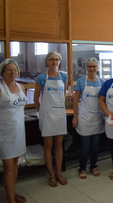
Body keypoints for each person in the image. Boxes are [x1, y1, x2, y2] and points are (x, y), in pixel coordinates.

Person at [0, 59, 27, 203]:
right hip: (4, 132)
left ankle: (12, 192)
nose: (13, 72)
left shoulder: (21, 87)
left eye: (15, 69)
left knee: (15, 163)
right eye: (9, 70)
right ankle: (10, 200)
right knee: (8, 166)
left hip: (19, 130)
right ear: (2, 72)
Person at [34, 51, 68, 187]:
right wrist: (41, 111)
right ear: (47, 62)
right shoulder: (41, 78)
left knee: (59, 145)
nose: (55, 62)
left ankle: (58, 173)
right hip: (47, 115)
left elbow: (64, 96)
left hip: (59, 114)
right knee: (48, 146)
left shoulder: (64, 77)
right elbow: (36, 98)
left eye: (57, 59)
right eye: (52, 59)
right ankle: (51, 174)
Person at [72, 58, 105, 179]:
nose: (92, 69)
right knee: (84, 146)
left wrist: (105, 116)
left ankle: (93, 166)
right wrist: (75, 117)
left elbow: (104, 100)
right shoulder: (81, 81)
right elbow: (75, 101)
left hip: (97, 117)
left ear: (97, 68)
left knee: (95, 145)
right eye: (89, 66)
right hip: (84, 117)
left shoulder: (102, 82)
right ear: (86, 68)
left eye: (94, 66)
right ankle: (82, 168)